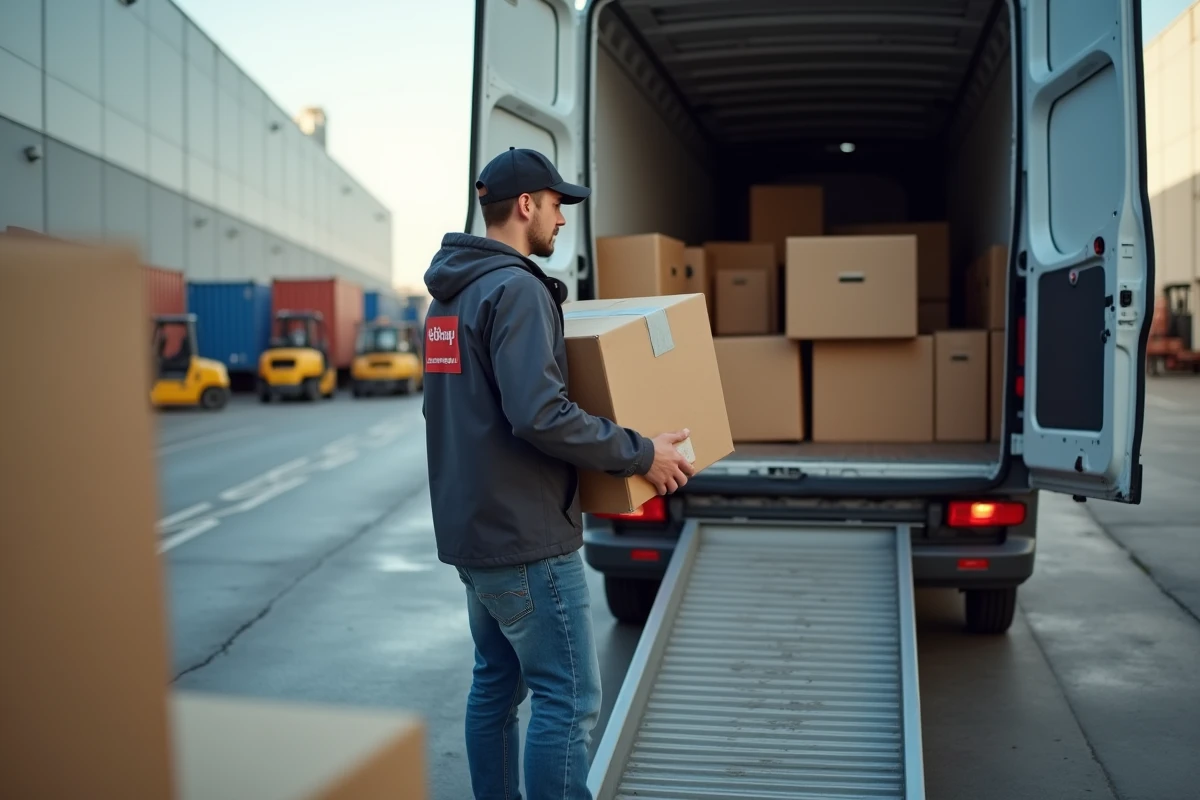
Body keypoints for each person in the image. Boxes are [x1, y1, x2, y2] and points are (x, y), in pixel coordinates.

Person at [422, 147, 694, 800]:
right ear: (525, 206)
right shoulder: (514, 289)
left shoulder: (447, 300)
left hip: (474, 533)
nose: (562, 220)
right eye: (555, 205)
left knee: (496, 682)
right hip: (526, 538)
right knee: (568, 696)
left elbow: (444, 408)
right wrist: (640, 453)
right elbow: (539, 413)